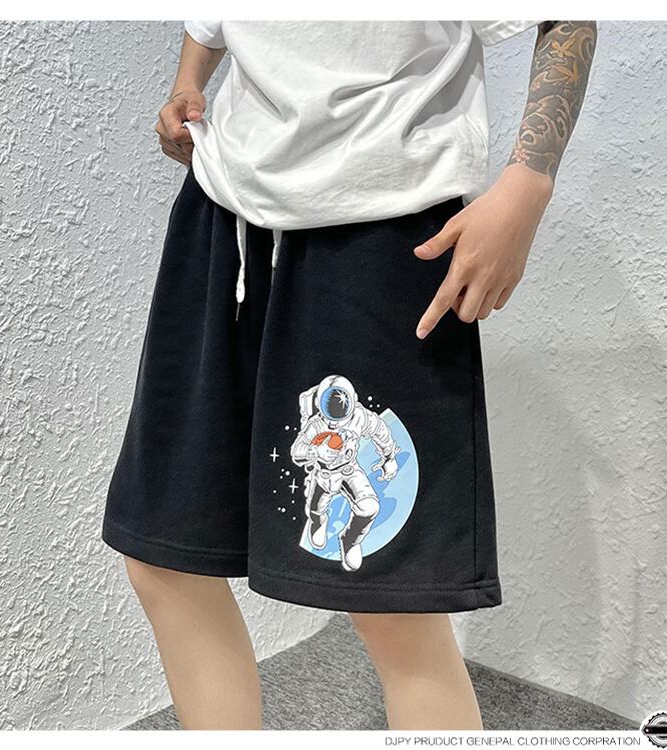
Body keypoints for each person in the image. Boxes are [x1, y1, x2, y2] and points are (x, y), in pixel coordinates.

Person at [102, 20, 596, 730]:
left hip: (380, 232)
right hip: (220, 221)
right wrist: (188, 81)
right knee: (165, 554)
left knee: (391, 599)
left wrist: (529, 183)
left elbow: (567, 17)